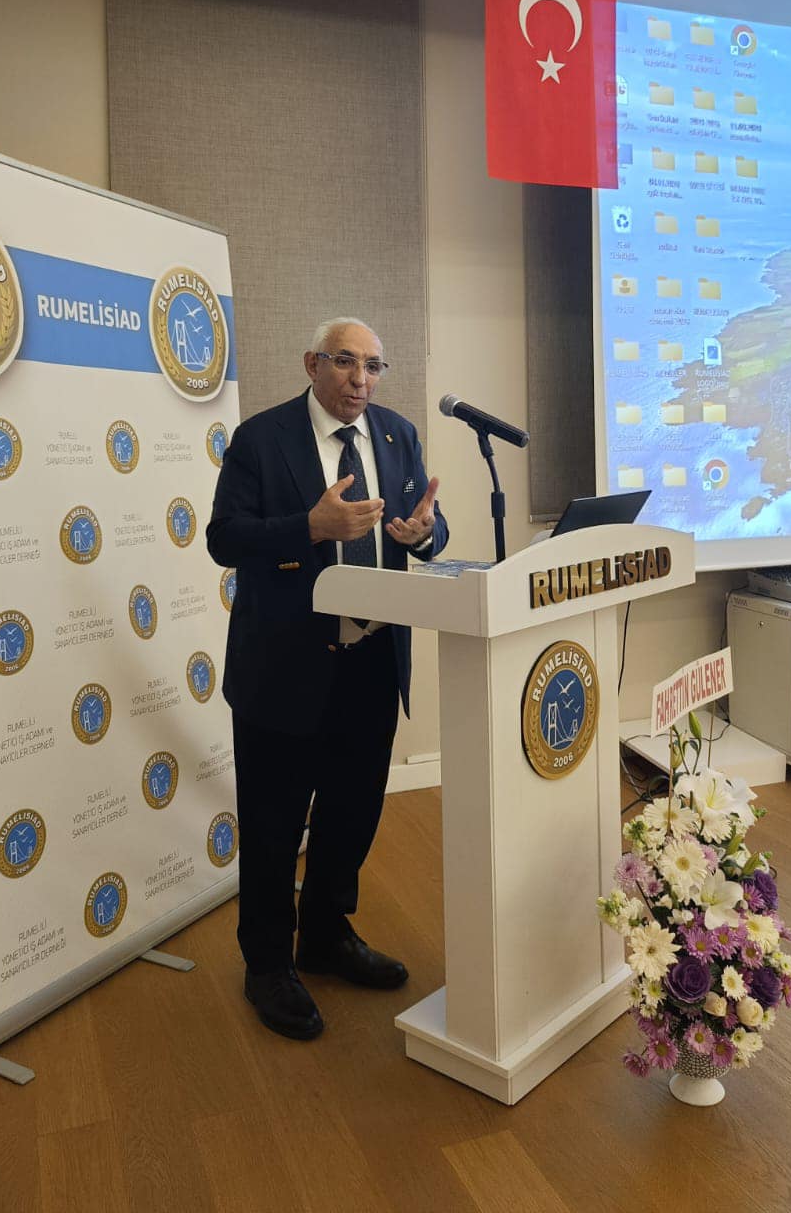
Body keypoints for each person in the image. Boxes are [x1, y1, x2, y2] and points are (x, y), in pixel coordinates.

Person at [206, 317, 448, 1040]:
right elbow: (224, 538)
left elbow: (429, 523)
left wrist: (424, 535)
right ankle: (267, 964)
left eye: (373, 366)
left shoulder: (398, 435)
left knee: (351, 814)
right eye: (345, 362)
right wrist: (310, 527)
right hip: (284, 667)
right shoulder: (261, 439)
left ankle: (325, 934)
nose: (360, 380)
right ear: (313, 363)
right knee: (275, 826)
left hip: (372, 661)